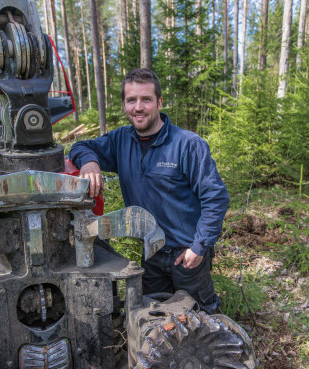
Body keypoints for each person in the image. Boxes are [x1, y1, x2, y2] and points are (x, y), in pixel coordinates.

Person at [69, 68, 229, 314]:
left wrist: (199, 247)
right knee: (152, 318)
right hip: (152, 254)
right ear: (124, 104)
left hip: (187, 255)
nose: (138, 107)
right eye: (131, 100)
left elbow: (215, 198)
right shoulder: (121, 140)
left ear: (159, 102)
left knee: (200, 319)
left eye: (146, 99)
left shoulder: (187, 145)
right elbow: (80, 146)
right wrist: (90, 162)